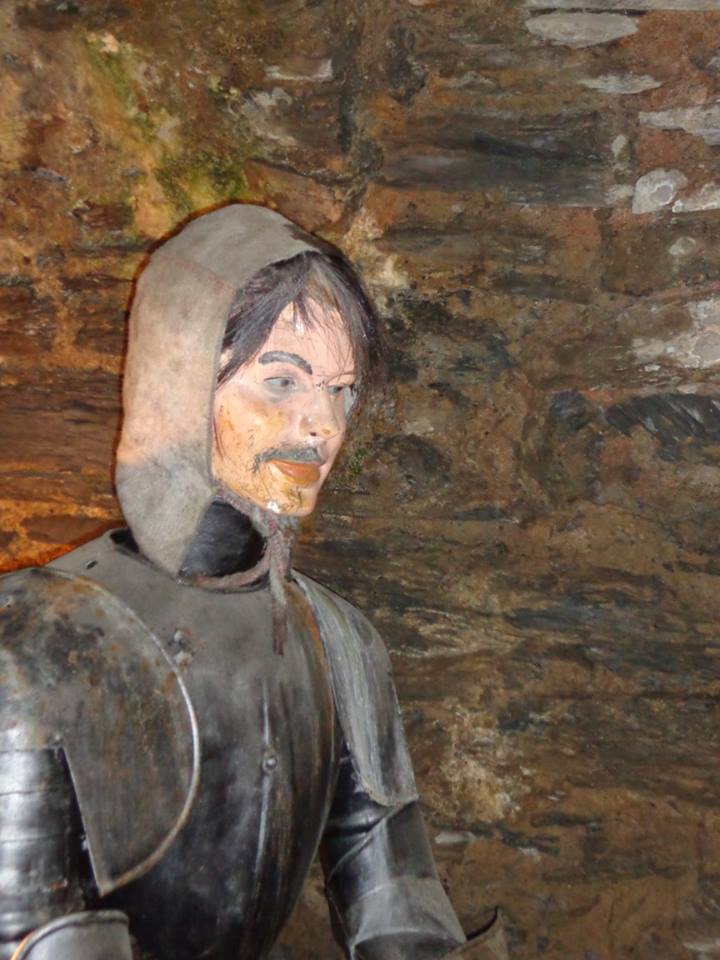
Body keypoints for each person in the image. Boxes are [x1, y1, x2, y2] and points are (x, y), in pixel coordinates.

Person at [0, 205, 506, 960]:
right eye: (282, 381)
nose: (324, 425)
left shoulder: (340, 644)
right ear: (181, 379)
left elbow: (398, 915)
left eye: (341, 390)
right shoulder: (37, 644)